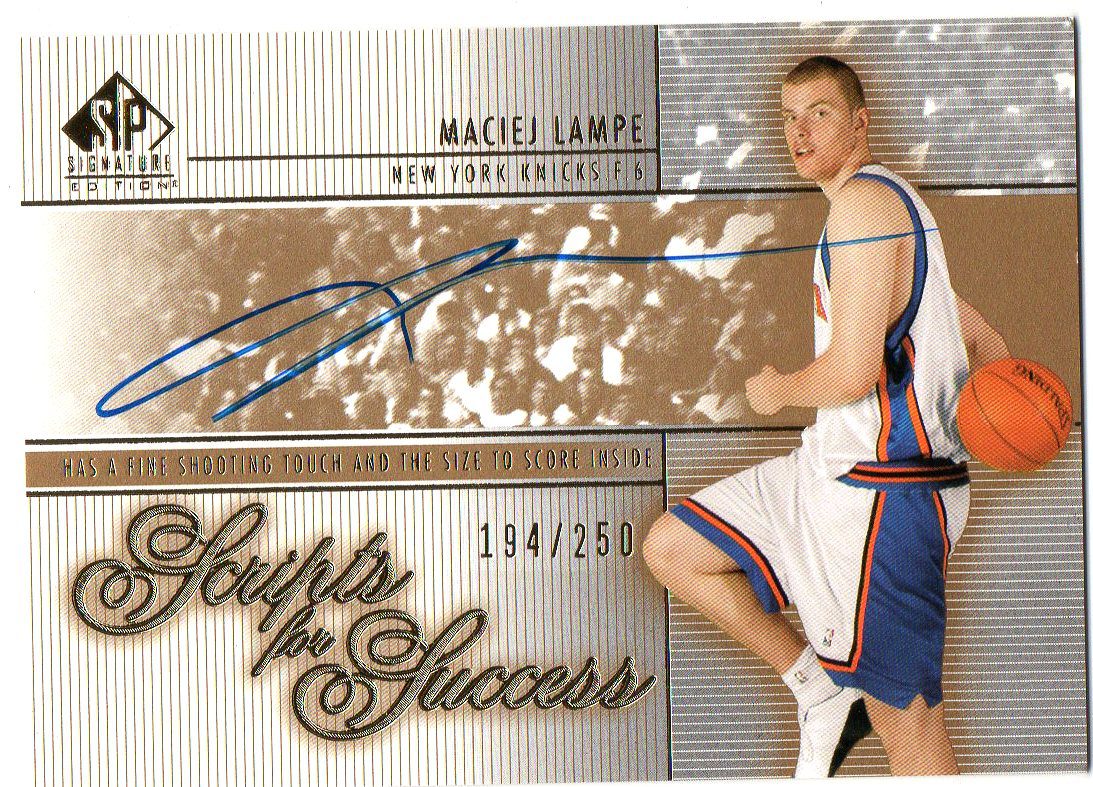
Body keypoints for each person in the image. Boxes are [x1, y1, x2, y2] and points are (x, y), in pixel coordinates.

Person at [643, 56, 1010, 777]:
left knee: (908, 721)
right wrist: (979, 394)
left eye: (819, 113)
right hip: (830, 470)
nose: (799, 132)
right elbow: (980, 335)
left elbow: (851, 372)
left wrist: (777, 390)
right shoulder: (887, 202)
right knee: (674, 546)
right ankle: (818, 689)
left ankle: (845, 697)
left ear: (859, 123)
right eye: (789, 117)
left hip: (886, 494)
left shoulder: (862, 209)